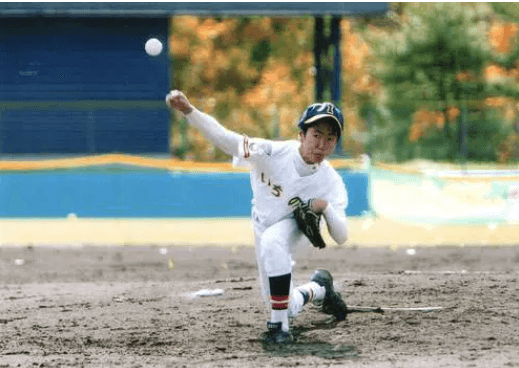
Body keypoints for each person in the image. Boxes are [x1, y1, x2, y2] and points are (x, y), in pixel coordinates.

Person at [166, 90, 349, 344]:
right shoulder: (272, 152)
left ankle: (279, 328)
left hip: (295, 231)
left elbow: (341, 236)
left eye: (330, 138)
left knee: (274, 243)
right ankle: (319, 288)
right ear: (301, 135)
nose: (321, 145)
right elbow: (225, 139)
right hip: (262, 224)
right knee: (286, 303)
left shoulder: (330, 181)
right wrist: (189, 111)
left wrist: (326, 207)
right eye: (316, 135)